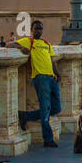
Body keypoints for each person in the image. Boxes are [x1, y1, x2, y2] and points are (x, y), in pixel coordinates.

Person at [12, 20, 62, 148]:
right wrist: (22, 48)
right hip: (40, 78)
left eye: (40, 29)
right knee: (45, 109)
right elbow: (10, 45)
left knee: (57, 108)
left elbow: (51, 60)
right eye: (36, 29)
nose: (39, 31)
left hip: (51, 78)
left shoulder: (46, 43)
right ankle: (48, 139)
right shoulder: (29, 41)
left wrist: (57, 73)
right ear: (32, 30)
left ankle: (26, 115)